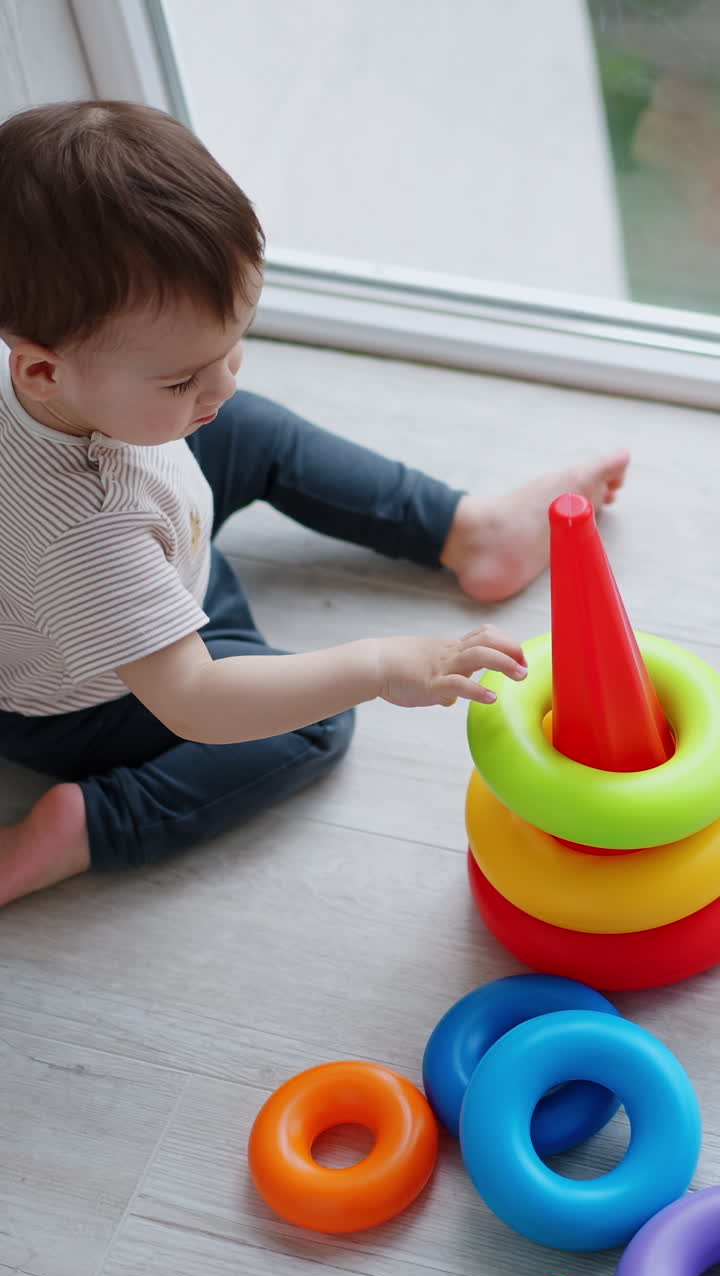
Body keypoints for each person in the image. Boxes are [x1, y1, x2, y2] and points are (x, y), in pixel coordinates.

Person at [0, 100, 629, 907]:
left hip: (127, 555)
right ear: (44, 370)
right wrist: (376, 666)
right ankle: (86, 824)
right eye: (181, 377)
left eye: (232, 343)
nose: (222, 380)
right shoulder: (88, 535)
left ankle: (469, 531)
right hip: (90, 696)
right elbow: (194, 699)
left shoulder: (49, 363)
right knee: (313, 723)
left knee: (245, 429)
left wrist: (177, 396)